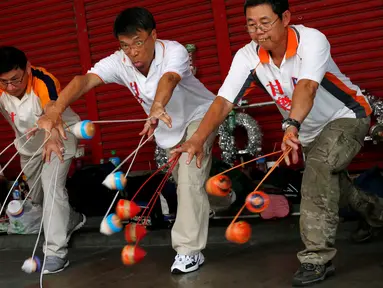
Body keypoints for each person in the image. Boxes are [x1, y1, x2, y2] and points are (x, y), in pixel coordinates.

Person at [170, 0, 383, 286]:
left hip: (346, 116)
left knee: (318, 170)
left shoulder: (311, 40)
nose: (257, 31)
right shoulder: (248, 56)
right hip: (306, 131)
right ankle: (377, 214)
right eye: (250, 24)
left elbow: (307, 87)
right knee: (334, 186)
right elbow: (223, 102)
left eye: (264, 22)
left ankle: (316, 258)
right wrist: (196, 139)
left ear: (285, 18)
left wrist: (290, 125)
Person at [37, 7, 220, 274]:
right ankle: (225, 196)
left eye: (138, 43)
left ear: (153, 36)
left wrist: (157, 106)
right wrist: (55, 109)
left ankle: (188, 251)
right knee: (190, 184)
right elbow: (84, 80)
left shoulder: (174, 52)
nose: (132, 52)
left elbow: (169, 78)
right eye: (125, 45)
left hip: (201, 116)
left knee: (190, 174)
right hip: (168, 130)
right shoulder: (120, 62)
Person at [0, 46, 86, 274]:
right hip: (29, 147)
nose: (10, 87)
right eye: (4, 82)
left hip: (59, 137)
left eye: (15, 80)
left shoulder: (42, 81)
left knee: (51, 187)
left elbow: (51, 109)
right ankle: (71, 219)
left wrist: (52, 136)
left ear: (27, 67)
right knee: (37, 196)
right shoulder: (2, 89)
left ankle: (55, 253)